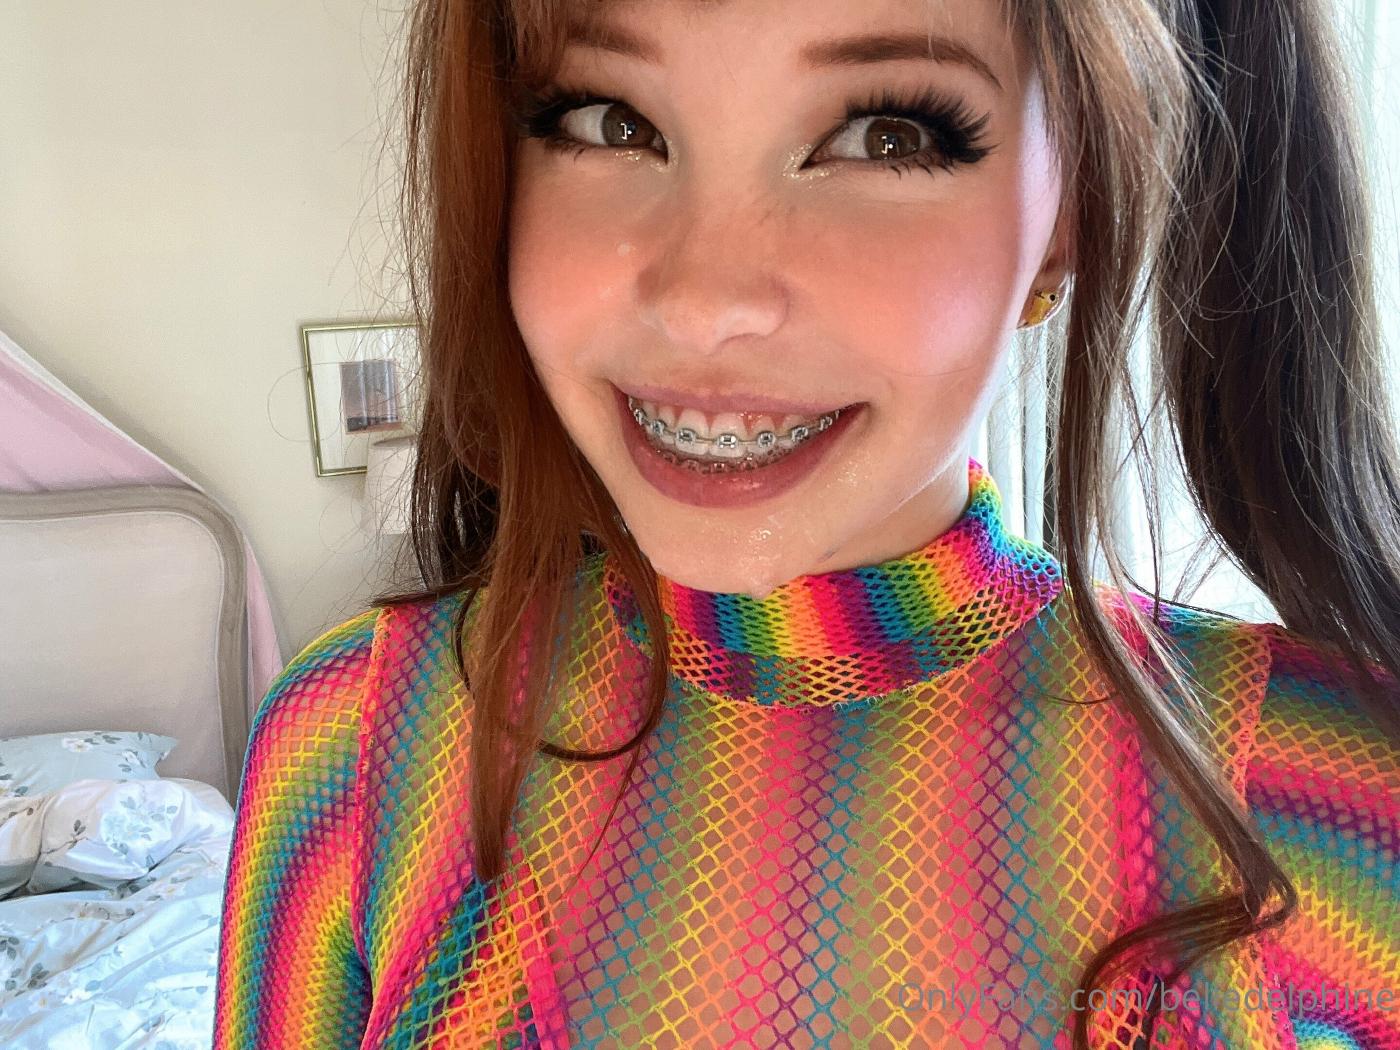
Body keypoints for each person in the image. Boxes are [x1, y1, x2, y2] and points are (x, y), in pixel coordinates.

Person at [213, 0, 1400, 1046]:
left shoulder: (1344, 795)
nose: (702, 302)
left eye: (886, 133)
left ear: (1070, 211)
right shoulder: (350, 749)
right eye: (606, 120)